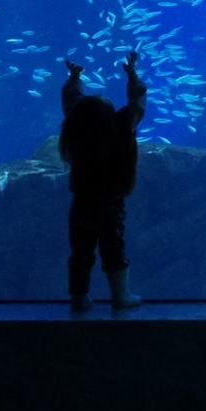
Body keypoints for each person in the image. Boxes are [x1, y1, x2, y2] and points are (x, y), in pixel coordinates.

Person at [59, 48, 147, 312]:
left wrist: (74, 78)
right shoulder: (120, 129)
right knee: (113, 247)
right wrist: (132, 74)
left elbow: (72, 102)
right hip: (110, 202)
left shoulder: (77, 131)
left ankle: (78, 297)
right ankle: (120, 295)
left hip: (82, 202)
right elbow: (137, 103)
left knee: (81, 251)